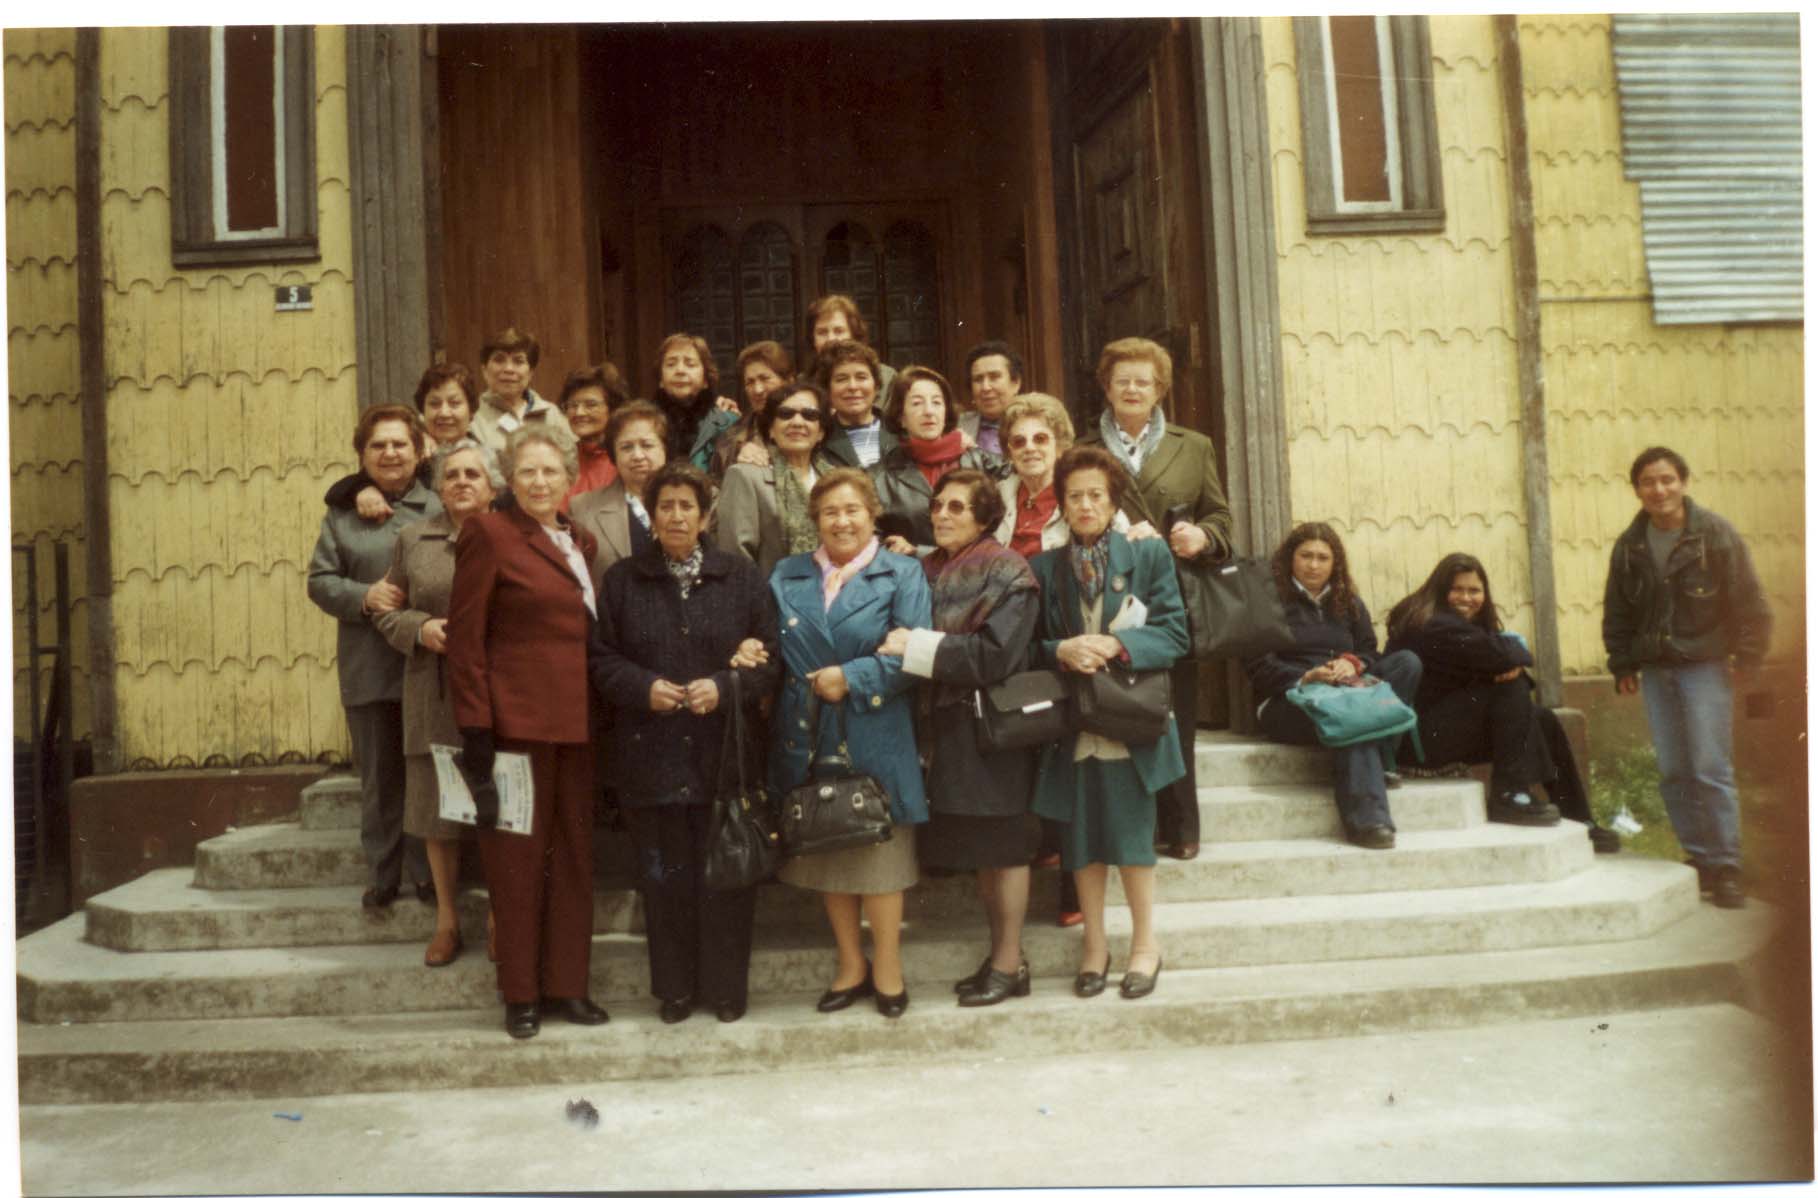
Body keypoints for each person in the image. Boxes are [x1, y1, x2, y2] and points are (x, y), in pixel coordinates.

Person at [589, 462, 781, 1024]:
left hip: (722, 755)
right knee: (664, 879)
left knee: (725, 876)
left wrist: (724, 688)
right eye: (665, 506)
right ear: (650, 515)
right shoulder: (624, 580)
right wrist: (643, 687)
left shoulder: (740, 577)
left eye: (686, 507)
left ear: (706, 516)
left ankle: (726, 990)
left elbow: (770, 660)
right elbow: (600, 660)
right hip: (650, 754)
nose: (675, 516)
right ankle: (674, 990)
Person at [446, 423, 609, 1039]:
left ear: (570, 478)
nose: (540, 482)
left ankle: (568, 986)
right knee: (516, 863)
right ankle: (521, 994)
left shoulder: (581, 542)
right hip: (513, 725)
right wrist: (477, 731)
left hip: (577, 725)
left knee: (572, 858)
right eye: (527, 472)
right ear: (508, 482)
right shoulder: (489, 534)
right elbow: (465, 643)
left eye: (551, 471)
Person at [768, 469, 932, 1018]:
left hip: (875, 729)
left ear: (872, 515)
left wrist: (854, 677)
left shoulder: (902, 572)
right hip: (807, 731)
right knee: (826, 850)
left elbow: (911, 653)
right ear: (815, 520)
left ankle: (887, 965)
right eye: (830, 512)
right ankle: (849, 964)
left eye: (852, 510)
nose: (842, 521)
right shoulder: (786, 574)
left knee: (880, 860)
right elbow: (772, 647)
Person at [1028, 446, 1189, 1000]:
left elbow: (1174, 634)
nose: (1086, 504)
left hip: (1129, 718)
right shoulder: (1044, 567)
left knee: (1132, 839)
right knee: (1081, 840)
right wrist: (1063, 648)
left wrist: (1117, 642)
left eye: (1097, 494)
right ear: (1062, 505)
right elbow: (1031, 645)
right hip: (1075, 723)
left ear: (1113, 501)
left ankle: (1146, 944)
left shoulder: (1147, 556)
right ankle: (1094, 944)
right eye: (1075, 496)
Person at [877, 470, 1039, 1006]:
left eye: (956, 507)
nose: (941, 514)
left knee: (1005, 850)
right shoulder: (927, 567)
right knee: (984, 854)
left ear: (986, 517)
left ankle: (1010, 963)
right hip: (945, 729)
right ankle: (1001, 960)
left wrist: (916, 646)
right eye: (937, 505)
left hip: (994, 728)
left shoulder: (1009, 570)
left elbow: (996, 657)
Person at [1079, 337, 1233, 861]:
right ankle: (1131, 828)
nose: (1132, 389)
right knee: (1120, 714)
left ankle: (1182, 824)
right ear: (1106, 386)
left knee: (1176, 715)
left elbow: (1221, 518)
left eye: (1143, 381)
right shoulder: (1083, 448)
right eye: (1122, 379)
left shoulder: (1195, 446)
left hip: (1171, 597)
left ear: (1160, 389)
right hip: (1105, 597)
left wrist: (1202, 538)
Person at [1602, 446, 1770, 909]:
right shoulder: (1630, 545)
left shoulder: (1715, 536)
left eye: (1667, 480)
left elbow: (1749, 600)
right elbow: (1618, 608)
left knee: (1710, 767)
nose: (1659, 490)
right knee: (1674, 770)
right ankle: (1698, 859)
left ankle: (1727, 864)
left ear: (1684, 482)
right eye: (1648, 482)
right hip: (1656, 670)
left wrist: (1748, 658)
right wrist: (1622, 664)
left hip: (1705, 667)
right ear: (1636, 489)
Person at [989, 392, 1130, 928]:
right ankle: (1044, 842)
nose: (1029, 449)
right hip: (1014, 638)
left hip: (1071, 635)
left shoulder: (1080, 492)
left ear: (1060, 443)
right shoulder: (997, 495)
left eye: (1040, 439)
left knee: (1069, 759)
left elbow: (1122, 546)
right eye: (1018, 440)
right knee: (1028, 749)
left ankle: (1073, 889)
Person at [1387, 554, 1618, 850]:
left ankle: (1580, 818)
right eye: (1458, 589)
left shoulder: (1467, 626)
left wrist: (1509, 662)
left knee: (1543, 717)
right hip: (1418, 742)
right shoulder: (1433, 623)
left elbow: (1501, 657)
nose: (1467, 598)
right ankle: (1509, 792)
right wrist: (1514, 656)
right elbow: (1510, 655)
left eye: (1474, 591)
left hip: (1446, 732)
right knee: (1510, 687)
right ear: (1441, 589)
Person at [306, 405, 440, 909]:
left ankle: (429, 873)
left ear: (419, 449)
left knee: (425, 773)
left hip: (427, 664)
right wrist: (364, 596)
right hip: (369, 664)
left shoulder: (438, 507)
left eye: (399, 444)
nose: (389, 453)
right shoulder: (342, 517)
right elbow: (319, 582)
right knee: (380, 777)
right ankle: (383, 874)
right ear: (362, 455)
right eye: (378, 445)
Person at [373, 444, 501, 965]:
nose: (463, 482)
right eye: (452, 475)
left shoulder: (512, 535)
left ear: (493, 486)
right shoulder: (412, 538)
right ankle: (447, 920)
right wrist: (421, 629)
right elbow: (386, 610)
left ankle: (500, 915)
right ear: (439, 486)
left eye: (474, 474)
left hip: (498, 691)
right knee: (436, 809)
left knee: (502, 805)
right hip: (435, 688)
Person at [1242, 522, 1422, 850]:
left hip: (1344, 688)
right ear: (1289, 559)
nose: (1314, 565)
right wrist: (1305, 676)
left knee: (1406, 662)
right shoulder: (1268, 602)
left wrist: (1353, 662)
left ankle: (1382, 755)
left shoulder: (1348, 603)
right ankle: (1370, 821)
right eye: (1305, 556)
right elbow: (1257, 667)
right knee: (1352, 718)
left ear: (1335, 563)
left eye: (1323, 558)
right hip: (1289, 701)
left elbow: (1370, 649)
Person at [870, 365, 1009, 555]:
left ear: (946, 412)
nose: (929, 411)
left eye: (936, 402)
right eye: (917, 403)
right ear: (901, 416)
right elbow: (870, 540)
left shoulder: (981, 462)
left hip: (976, 573)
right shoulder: (879, 476)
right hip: (912, 577)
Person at [324, 363, 484, 521]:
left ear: (471, 410)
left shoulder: (486, 457)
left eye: (454, 403)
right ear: (423, 410)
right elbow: (336, 493)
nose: (444, 412)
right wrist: (362, 489)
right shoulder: (411, 454)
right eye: (434, 404)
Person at [716, 380, 832, 578]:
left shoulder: (836, 480)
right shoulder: (745, 476)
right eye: (786, 414)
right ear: (770, 429)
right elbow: (735, 558)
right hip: (769, 601)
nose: (797, 422)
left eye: (809, 415)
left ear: (820, 432)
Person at [569, 400, 669, 594]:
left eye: (647, 445)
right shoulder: (582, 508)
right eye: (626, 447)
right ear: (613, 454)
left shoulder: (693, 503)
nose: (637, 455)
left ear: (665, 449)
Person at [469, 326, 571, 458]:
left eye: (518, 361)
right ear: (484, 370)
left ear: (530, 372)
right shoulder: (472, 415)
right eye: (499, 360)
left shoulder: (552, 414)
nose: (509, 369)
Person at [651, 332, 739, 472]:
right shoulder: (644, 422)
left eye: (690, 364)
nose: (680, 371)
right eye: (671, 364)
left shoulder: (728, 423)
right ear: (661, 379)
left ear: (705, 379)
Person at [713, 341, 796, 475]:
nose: (758, 390)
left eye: (765, 378)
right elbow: (715, 487)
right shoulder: (730, 439)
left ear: (789, 381)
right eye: (750, 382)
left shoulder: (811, 427)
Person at [812, 340, 897, 470]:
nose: (852, 386)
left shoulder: (899, 432)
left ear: (876, 385)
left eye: (861, 377)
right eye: (841, 379)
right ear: (827, 389)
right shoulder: (817, 441)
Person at [559, 362, 631, 504]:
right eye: (573, 405)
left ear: (613, 408)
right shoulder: (562, 458)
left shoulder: (625, 458)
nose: (579, 412)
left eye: (590, 405)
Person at [806, 292, 896, 404]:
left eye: (838, 331)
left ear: (854, 335)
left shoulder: (887, 377)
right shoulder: (804, 381)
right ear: (813, 339)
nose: (831, 339)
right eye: (822, 332)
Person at [959, 340, 1024, 456]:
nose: (985, 387)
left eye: (994, 377)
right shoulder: (957, 427)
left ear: (1016, 383)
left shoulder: (1038, 425)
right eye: (978, 379)